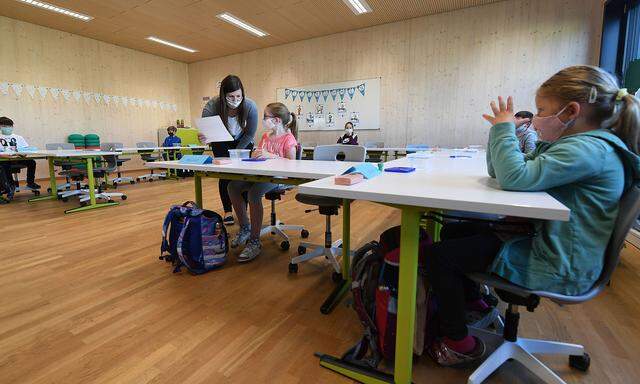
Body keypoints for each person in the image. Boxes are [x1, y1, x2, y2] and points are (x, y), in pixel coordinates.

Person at [424, 65, 640, 366]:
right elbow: (500, 171)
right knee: (453, 232)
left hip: (561, 263)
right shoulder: (578, 146)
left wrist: (503, 130)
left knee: (439, 256)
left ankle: (458, 343)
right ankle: (474, 302)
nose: (536, 117)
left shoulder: (588, 151)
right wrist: (501, 131)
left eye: (541, 109)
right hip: (555, 244)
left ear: (571, 110)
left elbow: (513, 177)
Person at [227, 102, 298, 263]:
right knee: (232, 186)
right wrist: (255, 154)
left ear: (277, 120)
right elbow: (260, 154)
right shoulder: (266, 136)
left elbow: (292, 163)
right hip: (261, 175)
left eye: (266, 117)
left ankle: (254, 241)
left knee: (254, 193)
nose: (264, 120)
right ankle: (245, 228)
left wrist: (270, 156)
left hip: (279, 177)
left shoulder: (288, 138)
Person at [199, 75, 258, 225]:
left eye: (238, 95)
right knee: (225, 174)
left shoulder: (250, 106)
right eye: (231, 96)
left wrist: (236, 153)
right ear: (223, 94)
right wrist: (205, 137)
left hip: (243, 141)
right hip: (221, 140)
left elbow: (250, 133)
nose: (235, 99)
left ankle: (243, 210)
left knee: (243, 175)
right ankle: (228, 211)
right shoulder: (212, 106)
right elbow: (206, 132)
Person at [0, 117, 40, 190]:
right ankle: (10, 185)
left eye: (9, 126)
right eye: (4, 126)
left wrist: (22, 154)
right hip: (4, 159)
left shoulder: (18, 137)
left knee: (32, 162)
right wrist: (5, 156)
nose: (7, 128)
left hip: (17, 158)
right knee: (5, 165)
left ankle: (30, 183)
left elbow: (25, 150)